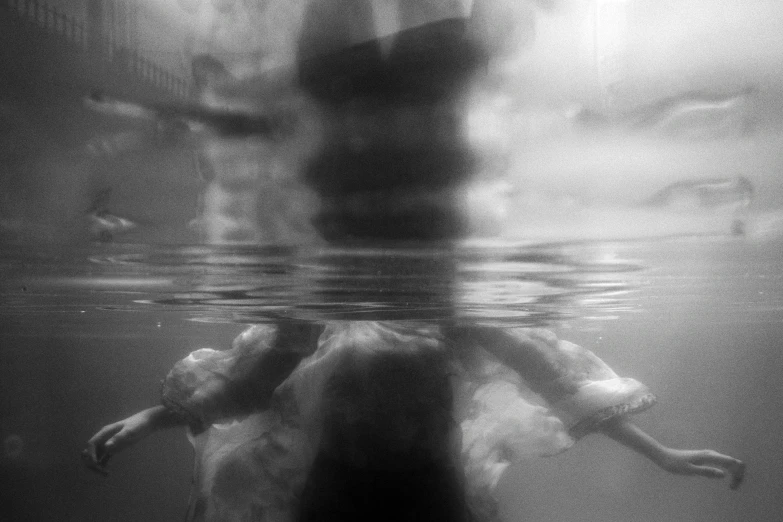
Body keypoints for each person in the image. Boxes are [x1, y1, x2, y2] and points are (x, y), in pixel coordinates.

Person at [84, 321, 745, 522]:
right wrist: (153, 416)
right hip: (336, 496)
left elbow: (560, 386)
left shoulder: (467, 319)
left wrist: (659, 453)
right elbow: (243, 387)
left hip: (426, 494)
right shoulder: (311, 330)